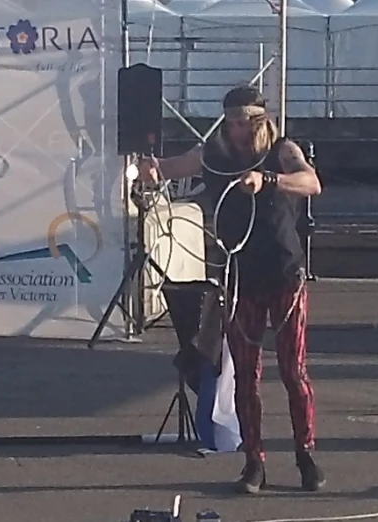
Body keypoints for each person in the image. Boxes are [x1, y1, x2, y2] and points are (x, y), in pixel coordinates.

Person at [137, 85, 325, 494]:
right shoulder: (215, 156)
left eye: (244, 123)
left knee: (294, 371)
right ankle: (253, 461)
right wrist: (151, 169)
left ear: (258, 122)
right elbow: (171, 167)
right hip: (242, 276)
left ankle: (305, 454)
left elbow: (311, 183)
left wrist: (268, 179)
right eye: (232, 123)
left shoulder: (281, 150)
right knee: (245, 375)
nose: (237, 131)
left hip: (285, 273)